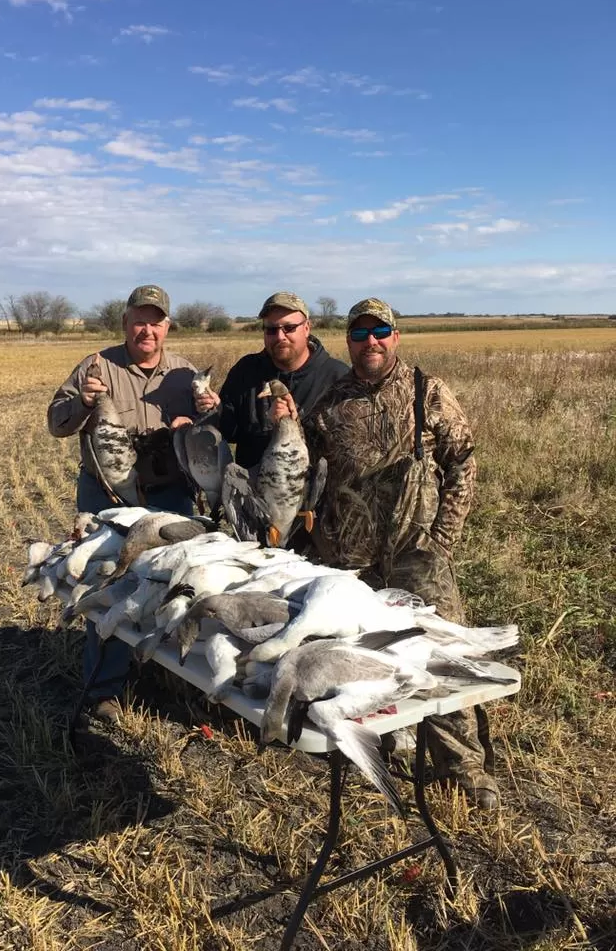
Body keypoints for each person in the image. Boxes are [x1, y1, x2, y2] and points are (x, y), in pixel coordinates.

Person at [272, 297, 498, 809]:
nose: (370, 342)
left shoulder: (427, 393)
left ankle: (464, 769)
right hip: (351, 561)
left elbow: (462, 462)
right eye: (359, 334)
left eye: (380, 332)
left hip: (418, 556)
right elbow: (301, 471)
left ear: (395, 337)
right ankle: (382, 744)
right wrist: (283, 421)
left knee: (444, 658)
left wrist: (444, 538)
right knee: (360, 658)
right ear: (348, 342)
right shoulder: (329, 403)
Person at [47, 284, 197, 721]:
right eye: (138, 320)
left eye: (155, 321)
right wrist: (83, 401)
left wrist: (207, 415)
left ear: (166, 326)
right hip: (106, 495)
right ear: (125, 322)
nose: (146, 329)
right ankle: (103, 688)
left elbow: (208, 433)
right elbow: (57, 423)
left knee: (172, 584)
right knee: (106, 584)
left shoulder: (185, 374)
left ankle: (165, 673)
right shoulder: (98, 367)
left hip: (169, 494)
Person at [194, 291, 349, 469]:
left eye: (289, 328)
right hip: (254, 489)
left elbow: (345, 451)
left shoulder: (337, 377)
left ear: (307, 328)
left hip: (312, 490)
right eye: (271, 330)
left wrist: (292, 426)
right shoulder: (246, 370)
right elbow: (230, 433)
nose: (280, 337)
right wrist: (216, 412)